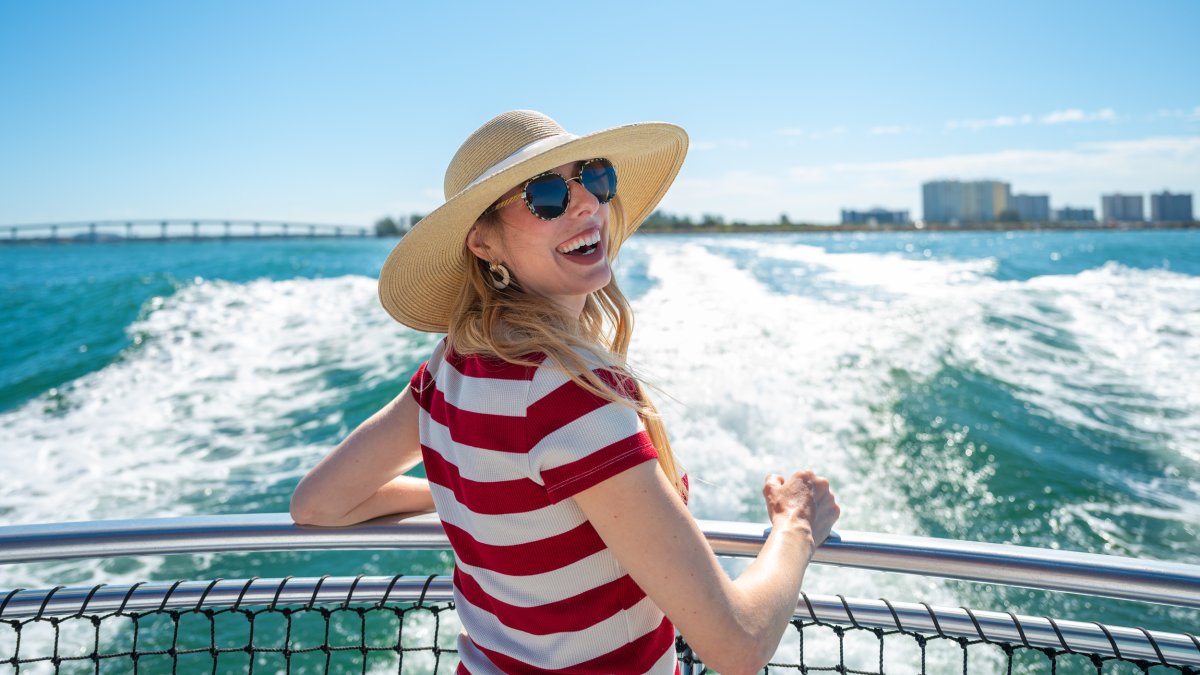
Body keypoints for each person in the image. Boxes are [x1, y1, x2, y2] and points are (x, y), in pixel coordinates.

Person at [290, 110, 840, 674]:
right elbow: (738, 645)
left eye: (595, 178)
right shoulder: (574, 396)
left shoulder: (448, 369)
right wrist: (796, 525)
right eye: (546, 194)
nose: (585, 204)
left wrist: (491, 496)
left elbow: (319, 502)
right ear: (483, 242)